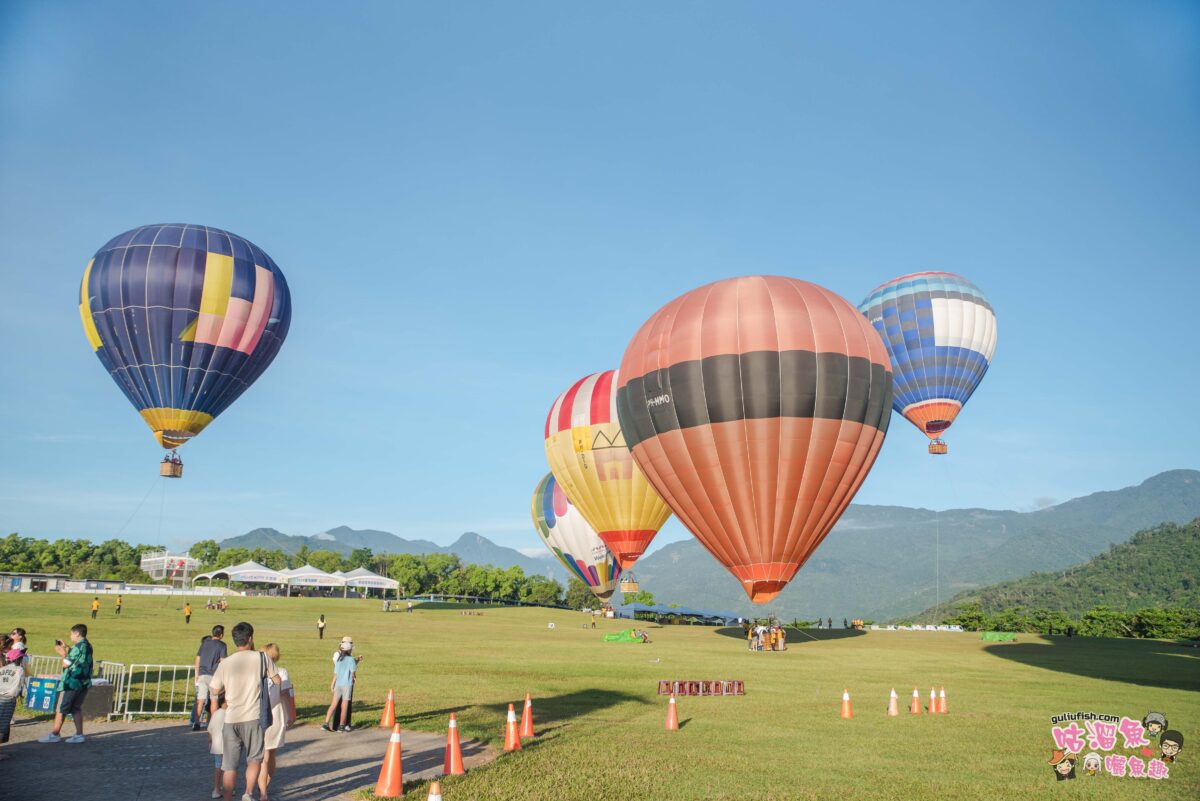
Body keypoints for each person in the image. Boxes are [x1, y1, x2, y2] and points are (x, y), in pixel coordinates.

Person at [209, 622, 280, 801]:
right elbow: (277, 680)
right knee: (255, 759)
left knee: (229, 765)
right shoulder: (262, 658)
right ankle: (248, 792)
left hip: (231, 718)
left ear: (235, 641)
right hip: (253, 716)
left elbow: (215, 689)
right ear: (251, 638)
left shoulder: (226, 663)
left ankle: (226, 798)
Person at [37, 623, 93, 744]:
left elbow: (66, 663)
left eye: (71, 634)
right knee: (76, 708)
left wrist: (62, 654)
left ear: (77, 633)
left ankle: (55, 734)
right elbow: (78, 657)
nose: (70, 636)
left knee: (61, 708)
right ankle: (79, 735)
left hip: (71, 683)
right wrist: (67, 648)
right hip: (84, 682)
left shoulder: (78, 647)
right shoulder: (87, 645)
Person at [258, 643, 291, 801]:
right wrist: (290, 714)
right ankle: (264, 788)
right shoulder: (282, 671)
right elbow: (285, 694)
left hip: (259, 714)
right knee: (271, 754)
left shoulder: (257, 672)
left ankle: (262, 790)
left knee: (263, 755)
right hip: (276, 715)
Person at [193, 625, 228, 730]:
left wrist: (197, 673)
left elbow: (198, 658)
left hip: (202, 674)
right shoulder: (222, 645)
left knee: (201, 700)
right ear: (221, 634)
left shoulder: (205, 643)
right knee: (214, 700)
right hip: (214, 676)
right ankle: (212, 724)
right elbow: (223, 661)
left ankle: (196, 722)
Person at [322, 637, 357, 732]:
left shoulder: (339, 660)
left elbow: (335, 674)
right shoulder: (351, 660)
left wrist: (332, 684)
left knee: (333, 704)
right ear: (349, 650)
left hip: (338, 684)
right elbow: (353, 673)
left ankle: (325, 723)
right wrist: (354, 678)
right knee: (344, 706)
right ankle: (341, 725)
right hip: (347, 685)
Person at [0, 638, 26, 759]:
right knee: (3, 725)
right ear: (18, 659)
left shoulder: (2, 669)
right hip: (9, 699)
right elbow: (18, 685)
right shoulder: (19, 669)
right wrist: (16, 695)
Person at [208, 693, 228, 799]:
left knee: (218, 766)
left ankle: (216, 789)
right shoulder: (230, 713)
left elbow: (210, 729)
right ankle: (227, 787)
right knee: (228, 767)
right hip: (228, 745)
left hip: (217, 745)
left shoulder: (216, 714)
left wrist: (210, 741)